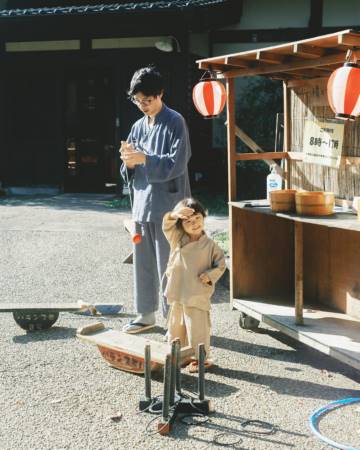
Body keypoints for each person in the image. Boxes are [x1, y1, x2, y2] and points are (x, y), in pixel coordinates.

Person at [120, 65, 191, 334]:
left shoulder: (175, 121)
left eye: (147, 101)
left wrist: (144, 159)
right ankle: (145, 315)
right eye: (138, 101)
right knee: (143, 263)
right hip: (141, 203)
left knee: (169, 264)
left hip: (168, 205)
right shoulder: (137, 126)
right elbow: (130, 168)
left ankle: (175, 319)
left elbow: (178, 162)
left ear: (160, 94)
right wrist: (127, 161)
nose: (143, 106)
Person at [162, 198, 226, 373]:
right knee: (177, 326)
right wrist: (175, 215)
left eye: (197, 218)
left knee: (197, 327)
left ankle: (201, 358)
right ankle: (180, 355)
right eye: (188, 222)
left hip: (196, 291)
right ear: (181, 225)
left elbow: (221, 265)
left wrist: (210, 276)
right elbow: (167, 226)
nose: (194, 224)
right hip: (177, 289)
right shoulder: (177, 238)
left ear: (204, 217)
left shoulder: (210, 245)